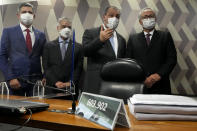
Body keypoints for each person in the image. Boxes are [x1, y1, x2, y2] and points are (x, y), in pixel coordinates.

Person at [126, 7, 177, 94]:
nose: (148, 19)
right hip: (139, 85)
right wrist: (141, 78)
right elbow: (129, 61)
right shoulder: (133, 38)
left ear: (155, 19)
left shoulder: (165, 36)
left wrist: (158, 75)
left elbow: (171, 59)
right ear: (140, 21)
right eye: (145, 17)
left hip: (161, 85)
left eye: (151, 16)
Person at [0, 3, 46, 96]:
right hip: (15, 81)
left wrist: (45, 76)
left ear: (34, 16)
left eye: (30, 12)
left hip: (36, 82)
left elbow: (46, 57)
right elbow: (2, 56)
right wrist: (10, 77)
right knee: (15, 109)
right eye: (24, 12)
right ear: (18, 15)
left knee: (36, 109)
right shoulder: (8, 32)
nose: (27, 14)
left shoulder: (41, 35)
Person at [82, 6, 126, 94]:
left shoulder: (122, 39)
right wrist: (100, 40)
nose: (114, 18)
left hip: (115, 85)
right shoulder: (91, 32)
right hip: (95, 84)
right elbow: (85, 52)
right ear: (104, 17)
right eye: (111, 15)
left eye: (117, 16)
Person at [42, 17, 83, 100]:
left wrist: (70, 83)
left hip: (70, 90)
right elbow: (46, 67)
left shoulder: (78, 47)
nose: (67, 29)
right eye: (64, 27)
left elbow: (78, 68)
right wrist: (55, 82)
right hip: (52, 89)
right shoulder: (48, 46)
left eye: (69, 27)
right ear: (58, 28)